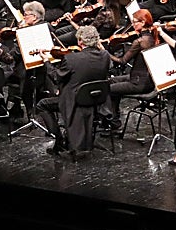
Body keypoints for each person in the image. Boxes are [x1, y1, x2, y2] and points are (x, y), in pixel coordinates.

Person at [35, 24, 111, 156]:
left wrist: (46, 61)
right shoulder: (105, 56)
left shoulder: (71, 59)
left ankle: (59, 139)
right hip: (95, 98)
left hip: (74, 100)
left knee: (42, 105)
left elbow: (55, 77)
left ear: (80, 41)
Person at [107, 10, 160, 126]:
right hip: (146, 79)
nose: (133, 25)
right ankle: (113, 117)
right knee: (111, 81)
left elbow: (122, 61)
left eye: (135, 22)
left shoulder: (140, 42)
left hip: (139, 83)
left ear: (143, 22)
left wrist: (104, 52)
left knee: (108, 89)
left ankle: (113, 121)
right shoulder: (152, 37)